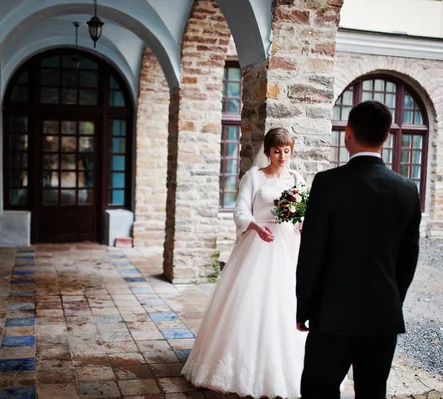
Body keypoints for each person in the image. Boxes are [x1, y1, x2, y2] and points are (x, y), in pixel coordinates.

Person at [296, 100, 422, 399]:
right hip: (382, 316)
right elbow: (408, 259)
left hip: (331, 315)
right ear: (387, 137)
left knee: (318, 392)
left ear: (347, 133)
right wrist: (392, 300)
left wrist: (304, 307)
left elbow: (312, 252)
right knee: (372, 392)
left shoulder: (328, 183)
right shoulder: (407, 189)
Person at [181, 128, 307, 398]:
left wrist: (303, 225)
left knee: (286, 302)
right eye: (277, 151)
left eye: (286, 151)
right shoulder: (254, 177)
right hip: (258, 244)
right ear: (268, 151)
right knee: (251, 302)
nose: (282, 156)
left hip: (288, 247)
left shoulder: (297, 178)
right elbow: (240, 210)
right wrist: (255, 227)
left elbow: (302, 214)